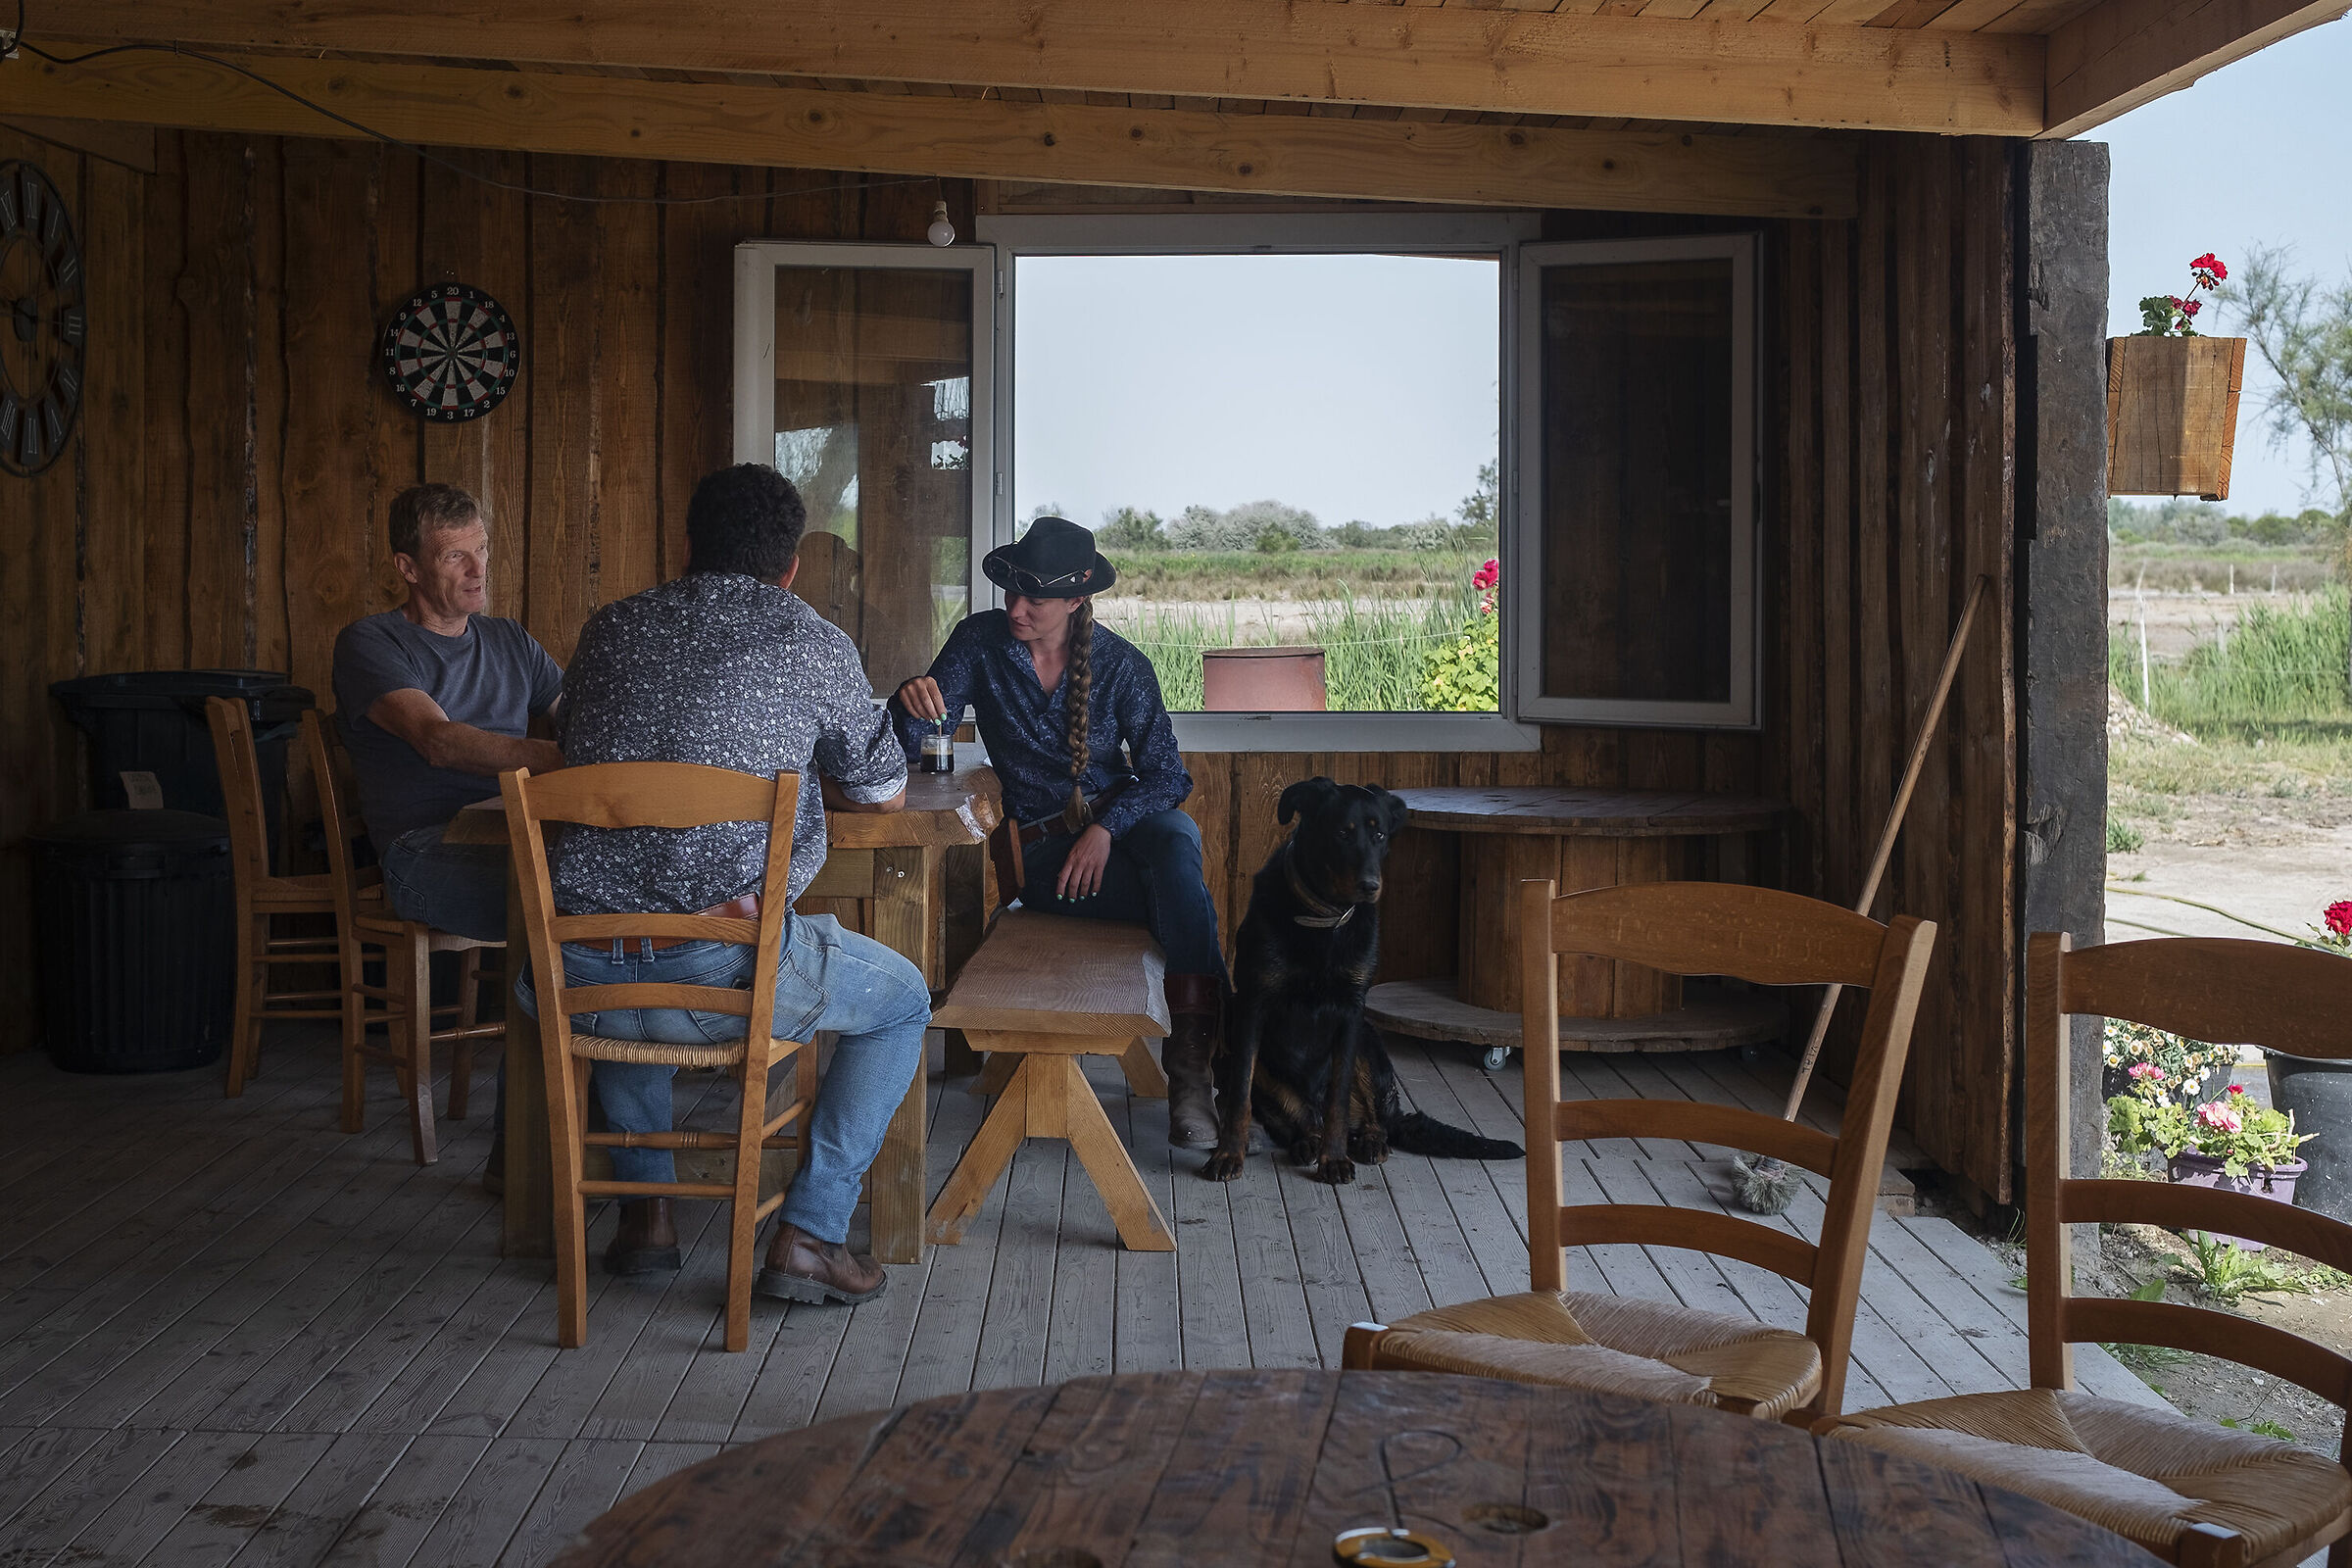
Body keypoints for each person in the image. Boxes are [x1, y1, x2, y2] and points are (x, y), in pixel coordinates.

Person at [535, 463, 930, 1303]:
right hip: (719, 972)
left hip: (576, 978)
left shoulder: (609, 629)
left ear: (685, 547)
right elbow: (883, 788)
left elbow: (574, 746)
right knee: (902, 1001)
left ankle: (649, 1219)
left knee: (624, 937)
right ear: (790, 566)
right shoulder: (810, 637)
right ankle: (814, 1234)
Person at [893, 515, 1226, 1150]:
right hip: (1045, 856)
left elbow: (1165, 776)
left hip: (1127, 828)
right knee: (1186, 904)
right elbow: (917, 740)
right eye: (1012, 592)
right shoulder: (980, 643)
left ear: (1076, 600)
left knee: (1177, 844)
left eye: (1035, 598)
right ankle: (1201, 1076)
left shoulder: (1123, 666)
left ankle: (1191, 1072)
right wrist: (910, 704)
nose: (1017, 608)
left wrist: (1104, 828)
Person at [331, 482, 564, 944]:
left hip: (513, 833)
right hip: (422, 850)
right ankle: (553, 1015)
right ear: (409, 568)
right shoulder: (370, 642)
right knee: (577, 888)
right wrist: (565, 758)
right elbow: (437, 741)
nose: (479, 570)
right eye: (456, 557)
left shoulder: (510, 640)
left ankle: (571, 1015)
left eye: (481, 549)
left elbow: (583, 716)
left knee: (619, 870)